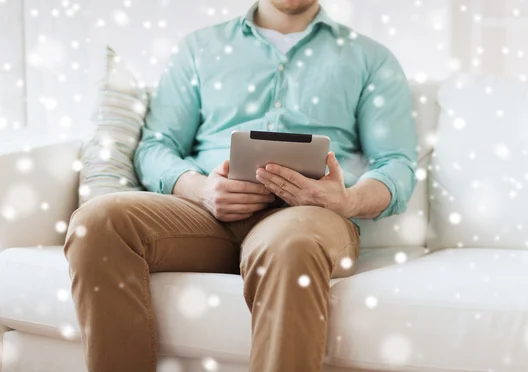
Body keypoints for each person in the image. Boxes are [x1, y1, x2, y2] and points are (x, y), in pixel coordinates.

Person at [63, 0, 417, 371]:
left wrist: (348, 201)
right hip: (203, 215)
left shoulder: (371, 58)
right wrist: (199, 189)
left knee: (290, 246)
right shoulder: (199, 48)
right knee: (97, 222)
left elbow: (397, 163)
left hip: (307, 219)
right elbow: (155, 146)